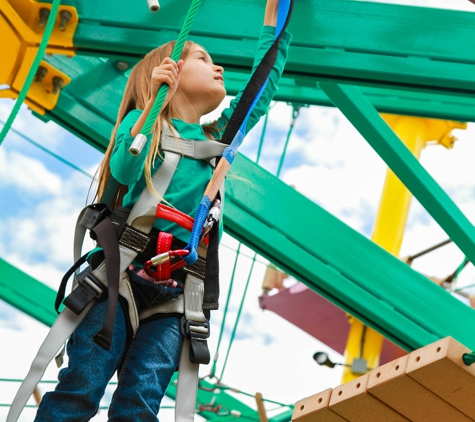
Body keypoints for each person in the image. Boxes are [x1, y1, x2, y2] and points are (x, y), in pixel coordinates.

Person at [34, 1, 292, 420]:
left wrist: (275, 20)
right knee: (82, 387)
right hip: (118, 282)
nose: (219, 67)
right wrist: (152, 104)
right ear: (169, 70)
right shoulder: (147, 124)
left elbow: (261, 87)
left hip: (175, 295)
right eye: (204, 59)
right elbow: (123, 168)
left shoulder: (218, 141)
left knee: (141, 402)